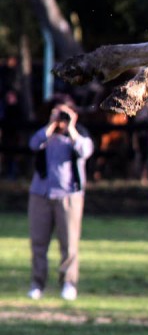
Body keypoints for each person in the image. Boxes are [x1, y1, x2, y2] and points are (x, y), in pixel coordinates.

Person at [27, 96, 94, 301]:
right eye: (57, 112)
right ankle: (37, 283)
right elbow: (33, 144)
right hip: (41, 194)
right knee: (38, 243)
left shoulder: (79, 135)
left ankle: (68, 283)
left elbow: (85, 150)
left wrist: (71, 126)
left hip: (69, 196)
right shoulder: (45, 135)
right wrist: (51, 124)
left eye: (64, 113)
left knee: (69, 244)